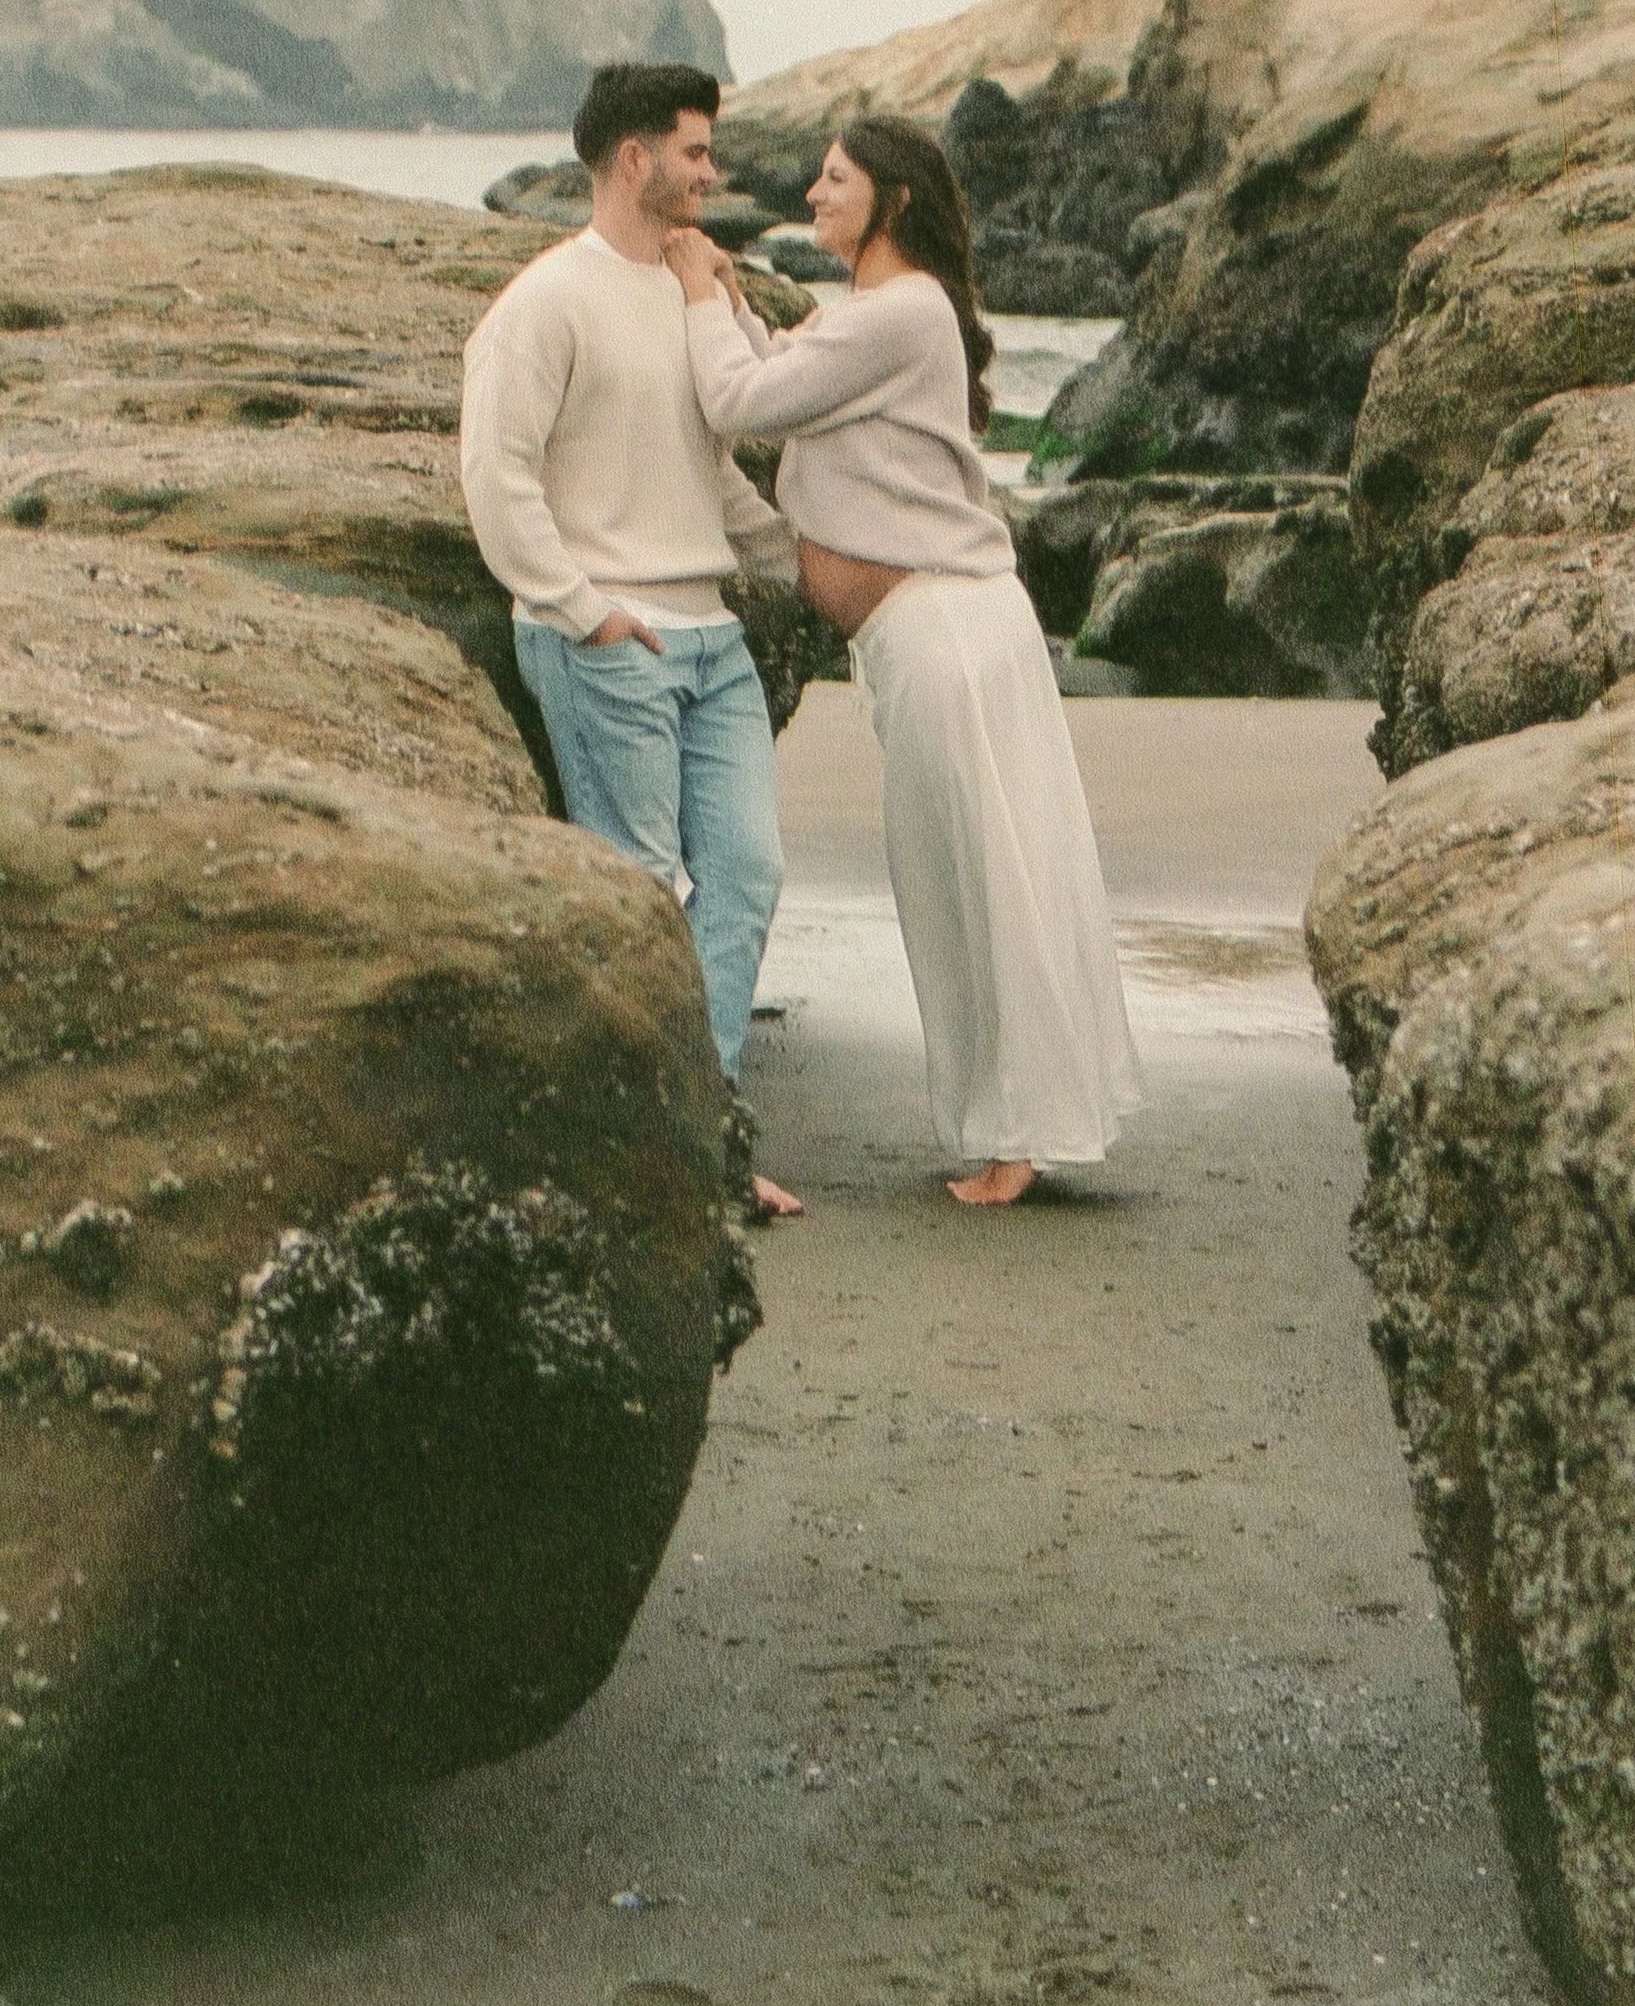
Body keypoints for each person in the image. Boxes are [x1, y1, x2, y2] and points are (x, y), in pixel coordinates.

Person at [665, 115, 1140, 1206]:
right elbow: (785, 367)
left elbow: (740, 398)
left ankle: (1017, 1142)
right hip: (924, 636)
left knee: (983, 880)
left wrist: (698, 290)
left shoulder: (905, 310)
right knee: (956, 877)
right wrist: (732, 304)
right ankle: (1005, 1132)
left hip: (950, 632)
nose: (814, 192)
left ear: (895, 200)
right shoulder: (878, 316)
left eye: (837, 179)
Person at [460, 59, 802, 1216]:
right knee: (641, 895)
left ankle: (693, 1131)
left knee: (745, 875)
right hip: (608, 636)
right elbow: (496, 474)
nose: (714, 172)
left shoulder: (699, 294)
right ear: (632, 160)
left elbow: (718, 469)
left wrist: (812, 570)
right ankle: (669, 1158)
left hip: (710, 639)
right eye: (696, 152)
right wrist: (580, 608)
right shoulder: (546, 301)